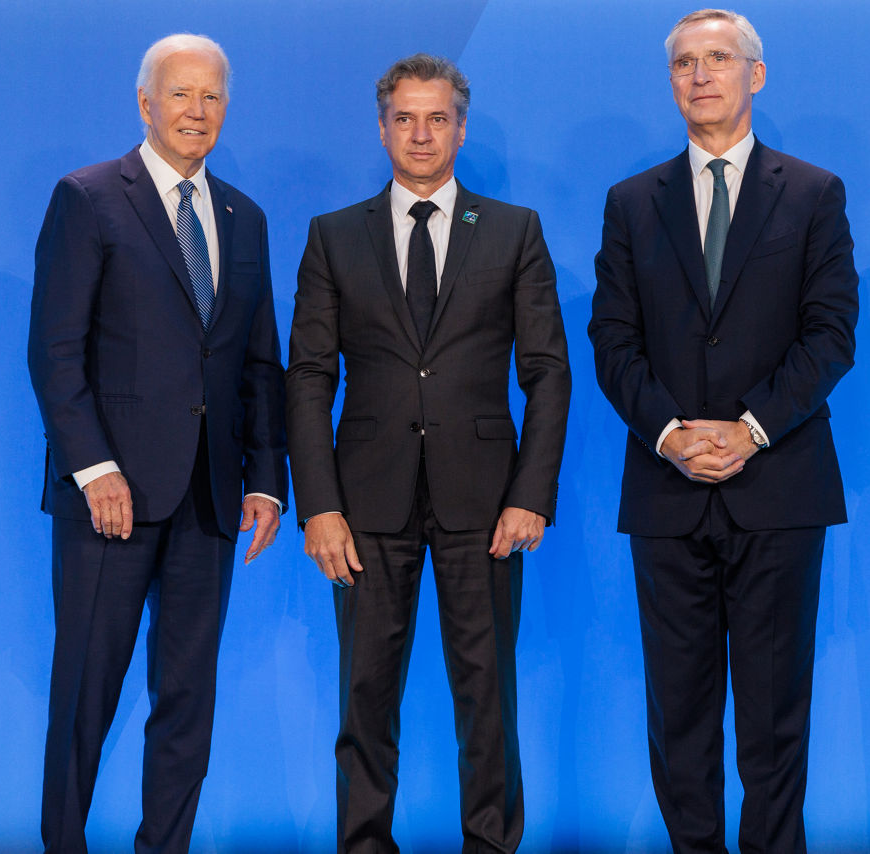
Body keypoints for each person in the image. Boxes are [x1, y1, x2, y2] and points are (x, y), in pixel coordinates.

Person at [588, 9, 858, 853]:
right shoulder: (632, 204)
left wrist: (750, 430)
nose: (700, 76)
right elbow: (612, 340)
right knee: (680, 719)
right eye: (683, 64)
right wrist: (671, 433)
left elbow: (830, 335)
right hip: (669, 495)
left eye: (718, 59)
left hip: (778, 491)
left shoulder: (813, 193)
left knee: (776, 723)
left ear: (756, 74)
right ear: (670, 82)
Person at [286, 53, 570, 854]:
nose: (421, 133)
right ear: (381, 129)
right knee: (364, 698)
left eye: (437, 118)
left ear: (461, 127)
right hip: (363, 505)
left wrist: (531, 494)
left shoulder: (513, 230)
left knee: (488, 697)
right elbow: (307, 376)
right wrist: (319, 505)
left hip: (485, 505)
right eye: (405, 118)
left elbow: (548, 372)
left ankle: (490, 845)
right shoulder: (334, 236)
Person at [27, 33, 287, 854]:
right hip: (112, 498)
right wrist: (93, 467)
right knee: (86, 696)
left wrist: (266, 478)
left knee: (187, 701)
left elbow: (256, 359)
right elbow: (55, 350)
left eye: (211, 97)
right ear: (146, 103)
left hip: (210, 500)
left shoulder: (245, 216)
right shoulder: (91, 197)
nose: (197, 111)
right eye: (181, 94)